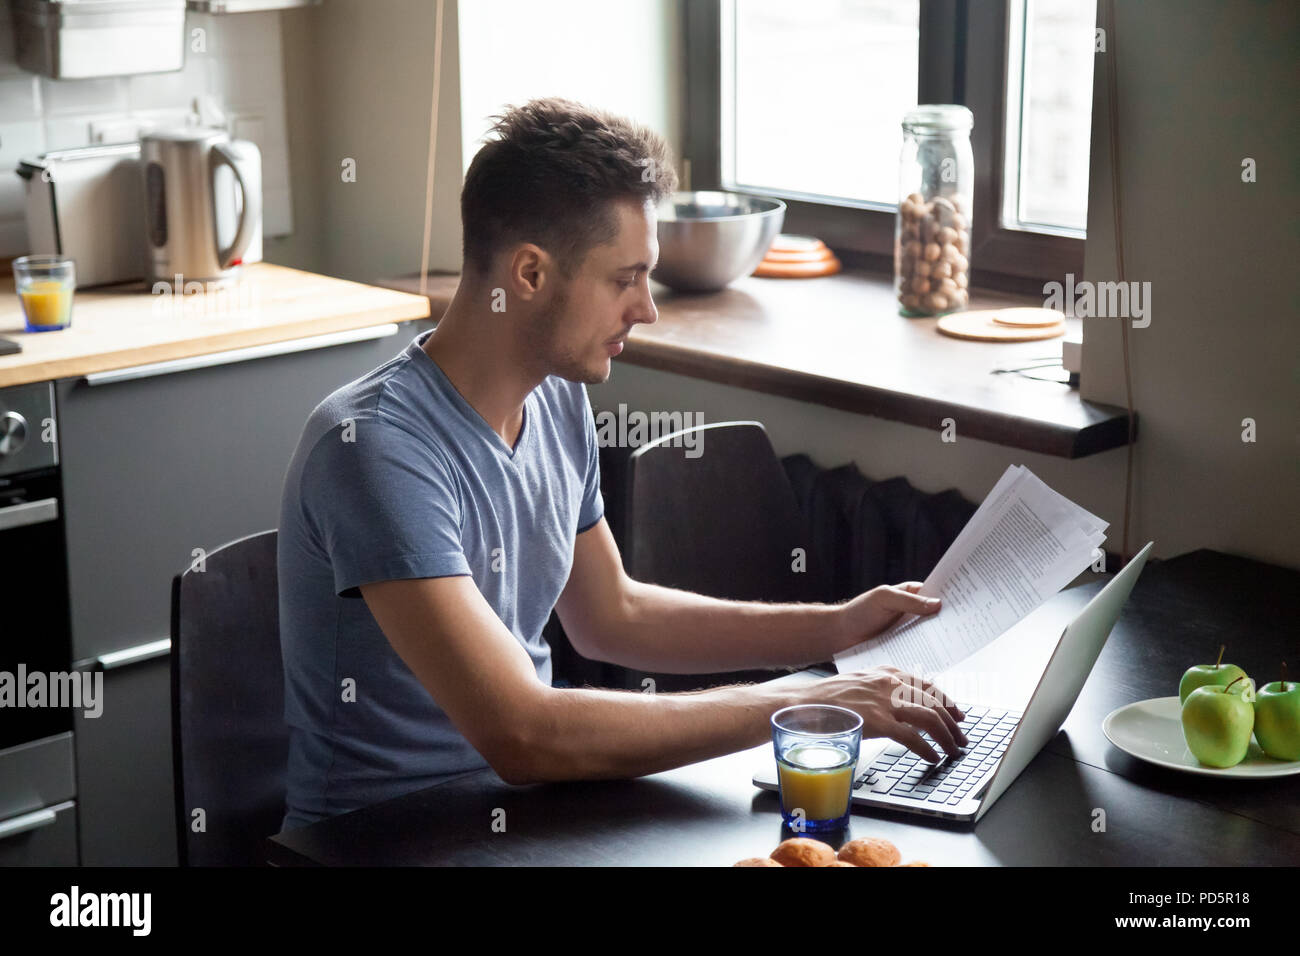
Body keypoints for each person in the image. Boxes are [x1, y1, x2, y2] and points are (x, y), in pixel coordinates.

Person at [277, 97, 965, 831]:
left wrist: (837, 629)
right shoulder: (375, 449)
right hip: (380, 841)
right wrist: (802, 705)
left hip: (522, 818)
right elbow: (523, 733)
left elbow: (613, 615)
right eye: (623, 279)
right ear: (531, 275)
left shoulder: (556, 397)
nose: (648, 309)